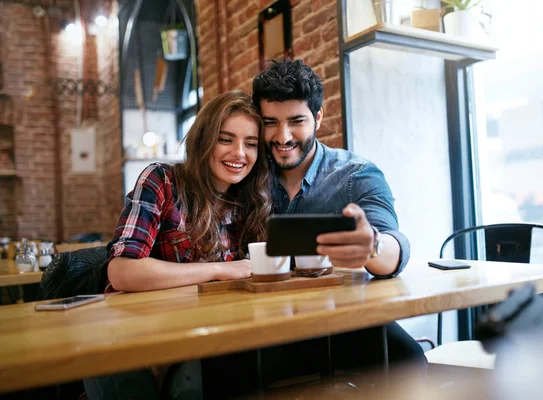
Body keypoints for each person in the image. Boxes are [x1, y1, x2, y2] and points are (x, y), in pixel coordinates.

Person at [83, 90, 272, 400]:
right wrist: (219, 271)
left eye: (250, 144)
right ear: (203, 140)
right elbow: (123, 271)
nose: (240, 153)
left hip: (201, 337)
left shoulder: (252, 202)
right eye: (225, 139)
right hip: (127, 339)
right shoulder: (162, 180)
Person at [250, 59, 426, 385]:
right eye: (270, 122)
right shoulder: (248, 175)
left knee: (409, 364)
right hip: (262, 324)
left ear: (318, 117)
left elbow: (393, 243)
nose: (282, 136)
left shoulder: (355, 175)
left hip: (342, 321)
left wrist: (371, 245)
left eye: (296, 121)